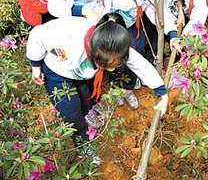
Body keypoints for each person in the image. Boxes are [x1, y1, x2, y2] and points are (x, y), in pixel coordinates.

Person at [26, 13, 169, 162]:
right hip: (57, 73)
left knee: (85, 98)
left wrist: (162, 93)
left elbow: (141, 65)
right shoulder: (66, 39)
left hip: (81, 74)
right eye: (107, 66)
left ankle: (88, 115)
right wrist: (35, 65)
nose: (112, 70)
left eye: (116, 65)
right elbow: (37, 34)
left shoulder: (115, 45)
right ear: (93, 52)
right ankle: (82, 143)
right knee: (71, 112)